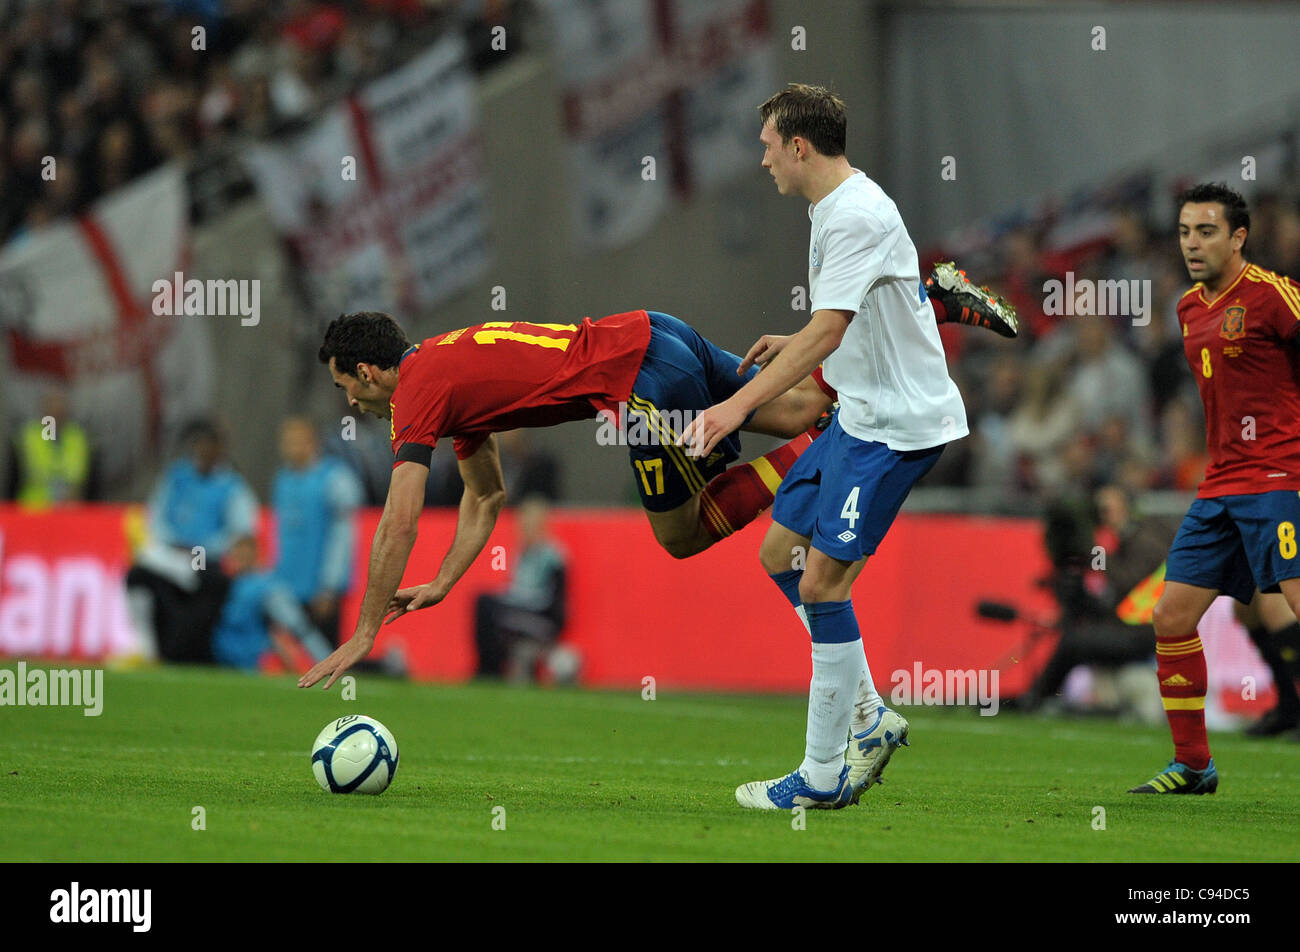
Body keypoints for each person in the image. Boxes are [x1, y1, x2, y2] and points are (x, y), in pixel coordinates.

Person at [299, 271, 1014, 690]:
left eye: (345, 387)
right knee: (809, 404)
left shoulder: (414, 396)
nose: (349, 403)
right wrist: (444, 583)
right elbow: (486, 496)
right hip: (653, 331)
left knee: (680, 531)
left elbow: (397, 518)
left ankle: (808, 457)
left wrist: (364, 632)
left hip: (639, 383)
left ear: (366, 371)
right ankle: (926, 297)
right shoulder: (444, 370)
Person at [682, 84, 970, 809]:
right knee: (780, 554)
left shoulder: (856, 214)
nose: (764, 158)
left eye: (769, 144)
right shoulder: (835, 206)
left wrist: (732, 410)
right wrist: (808, 343)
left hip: (896, 429)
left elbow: (830, 327)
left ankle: (819, 779)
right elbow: (842, 322)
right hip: (861, 415)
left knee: (821, 585)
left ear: (800, 145)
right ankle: (870, 717)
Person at [1130, 183, 1300, 794]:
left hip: (1281, 479)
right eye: (1183, 232)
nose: (1192, 243)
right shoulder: (1188, 310)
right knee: (1171, 616)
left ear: (1238, 237)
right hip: (1221, 485)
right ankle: (1195, 765)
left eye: (1205, 231)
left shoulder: (1273, 296)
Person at [124, 419, 257, 663]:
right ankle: (145, 647)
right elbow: (156, 516)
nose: (203, 451)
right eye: (200, 445)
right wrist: (173, 542)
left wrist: (202, 547)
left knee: (201, 588)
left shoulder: (231, 485)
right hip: (173, 554)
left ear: (220, 449)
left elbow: (240, 530)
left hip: (206, 560)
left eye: (210, 446)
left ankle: (182, 645)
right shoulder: (176, 477)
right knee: (137, 574)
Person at [271, 416, 363, 644]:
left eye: (296, 441)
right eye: (286, 441)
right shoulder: (283, 479)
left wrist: (331, 585)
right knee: (292, 656)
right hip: (288, 583)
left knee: (327, 654)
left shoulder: (335, 479)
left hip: (321, 587)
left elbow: (343, 537)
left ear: (312, 443)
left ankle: (384, 667)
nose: (289, 448)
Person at [473, 496, 569, 681]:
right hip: (523, 608)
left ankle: (489, 669)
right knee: (485, 602)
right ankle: (488, 665)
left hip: (543, 618)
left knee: (488, 606)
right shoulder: (522, 553)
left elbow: (549, 601)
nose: (523, 529)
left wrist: (510, 598)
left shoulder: (553, 556)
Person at [211, 536, 335, 671]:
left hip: (254, 660)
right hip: (225, 657)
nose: (237, 561)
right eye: (235, 555)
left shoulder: (265, 586)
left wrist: (326, 661)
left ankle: (331, 666)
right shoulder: (229, 583)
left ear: (254, 556)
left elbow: (298, 627)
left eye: (242, 556)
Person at [4, 391, 100, 507]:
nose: (55, 415)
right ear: (43, 411)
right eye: (52, 411)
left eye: (59, 411)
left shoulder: (79, 438)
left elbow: (92, 482)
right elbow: (13, 479)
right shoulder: (27, 437)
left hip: (70, 512)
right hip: (33, 511)